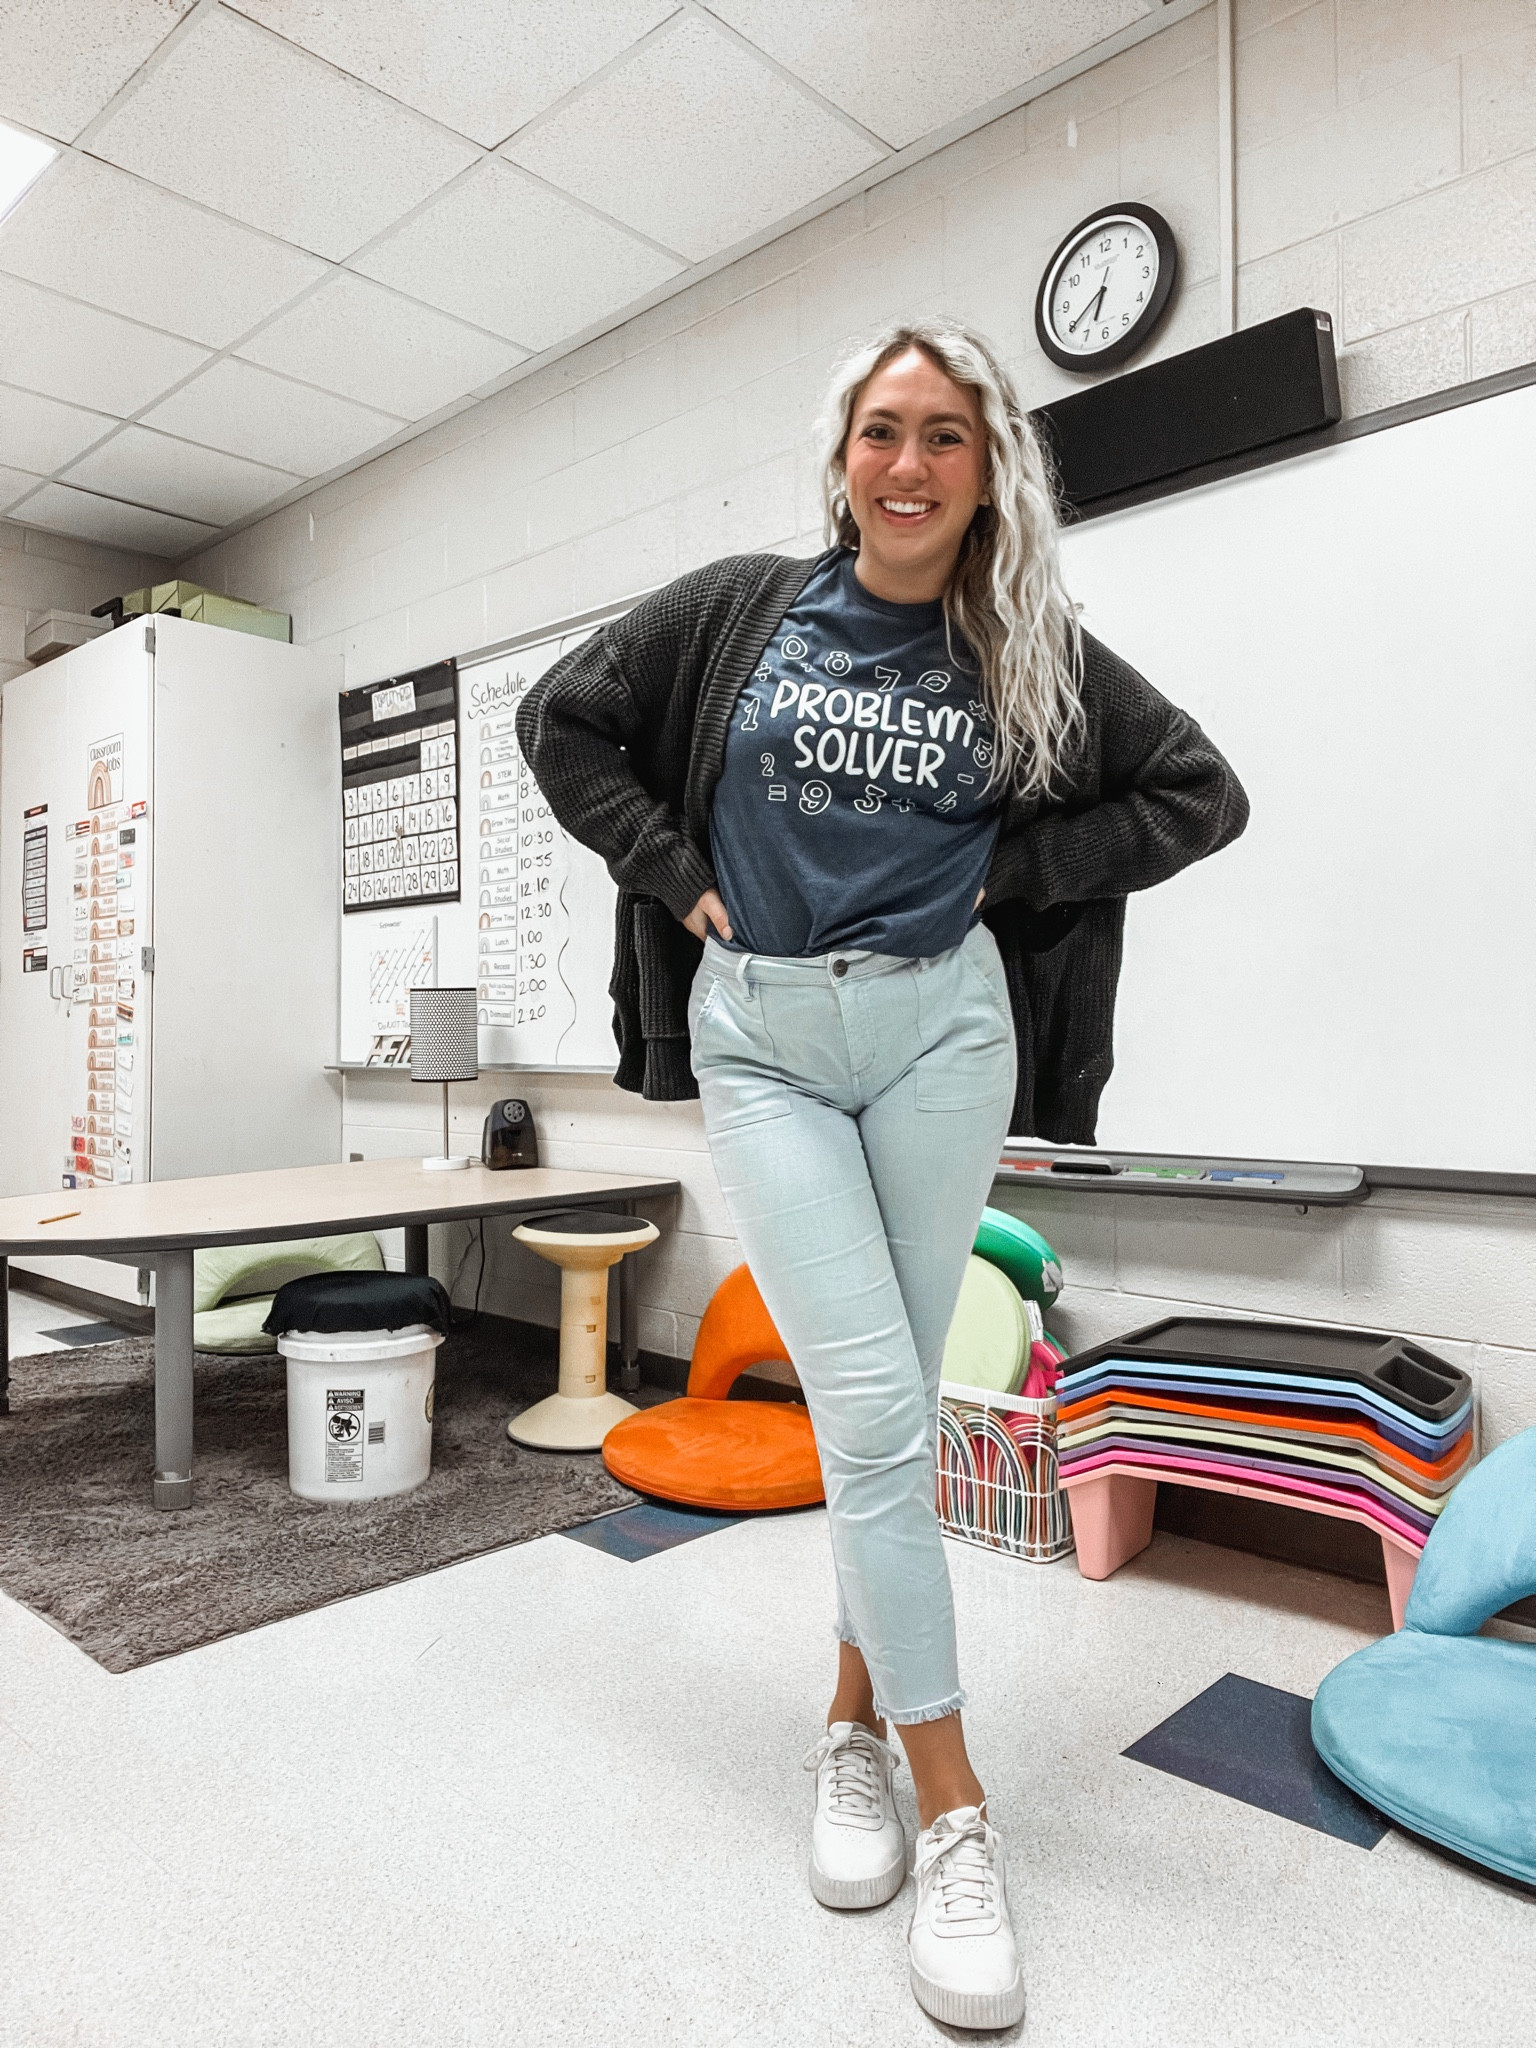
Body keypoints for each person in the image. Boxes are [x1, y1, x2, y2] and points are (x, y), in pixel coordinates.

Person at [517, 319, 1248, 2031]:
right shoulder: (743, 612)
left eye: (944, 437)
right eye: (879, 432)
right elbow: (567, 721)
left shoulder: (1028, 647)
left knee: (890, 1414)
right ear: (841, 455)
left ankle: (847, 1730)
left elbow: (1197, 792)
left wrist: (1004, 872)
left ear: (989, 470)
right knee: (870, 1417)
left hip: (943, 1042)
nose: (907, 466)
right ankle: (959, 1803)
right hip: (766, 1039)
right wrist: (680, 873)